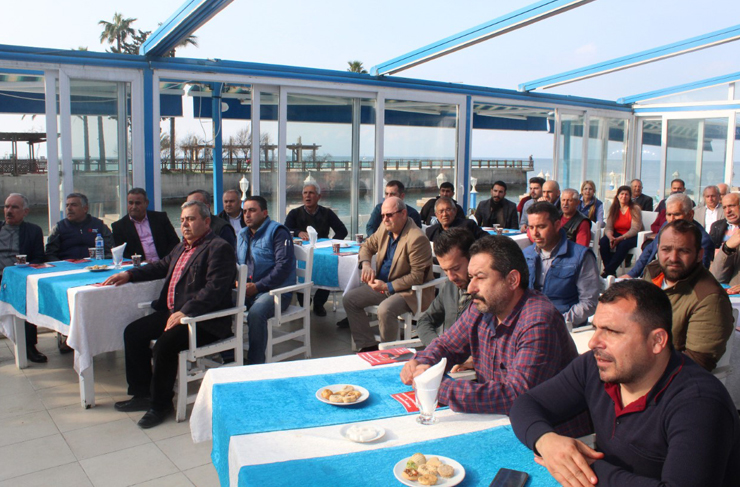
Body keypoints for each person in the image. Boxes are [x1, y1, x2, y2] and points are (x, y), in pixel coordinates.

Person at [509, 280, 740, 487]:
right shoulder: (596, 366)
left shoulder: (699, 404)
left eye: (611, 331)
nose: (593, 342)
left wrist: (581, 466)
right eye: (596, 328)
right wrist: (546, 441)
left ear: (657, 341)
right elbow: (526, 404)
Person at [400, 235, 585, 419]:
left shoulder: (538, 321)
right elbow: (447, 346)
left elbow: (516, 396)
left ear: (512, 280)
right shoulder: (482, 308)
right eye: (471, 277)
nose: (470, 288)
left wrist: (440, 388)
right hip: (501, 421)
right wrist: (422, 362)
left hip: (553, 430)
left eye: (480, 278)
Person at [107, 201, 237, 429]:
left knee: (164, 346)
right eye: (183, 219)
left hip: (203, 320)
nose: (185, 224)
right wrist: (130, 274)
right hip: (175, 313)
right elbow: (159, 266)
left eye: (191, 219)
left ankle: (160, 405)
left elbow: (214, 290)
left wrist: (185, 311)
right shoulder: (181, 247)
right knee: (133, 333)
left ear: (206, 222)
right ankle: (142, 393)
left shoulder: (219, 247)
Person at [343, 196, 434, 352]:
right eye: (383, 215)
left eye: (389, 215)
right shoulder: (385, 229)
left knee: (385, 309)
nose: (385, 219)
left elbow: (417, 277)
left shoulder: (416, 238)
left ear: (403, 213)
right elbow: (366, 246)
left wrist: (387, 286)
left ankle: (388, 352)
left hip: (409, 292)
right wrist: (366, 264)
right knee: (349, 299)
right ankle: (368, 346)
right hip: (383, 286)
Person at [643, 220, 733, 371]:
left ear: (699, 255)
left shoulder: (710, 298)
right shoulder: (652, 273)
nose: (673, 258)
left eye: (684, 251)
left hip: (663, 376)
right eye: (666, 249)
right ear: (658, 249)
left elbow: (697, 362)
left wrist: (637, 366)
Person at [238, 196, 296, 364]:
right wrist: (237, 281)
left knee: (256, 313)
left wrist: (257, 286)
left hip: (276, 292)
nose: (247, 215)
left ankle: (255, 364)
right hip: (247, 289)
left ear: (264, 213)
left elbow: (283, 267)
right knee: (219, 302)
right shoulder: (242, 234)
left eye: (252, 210)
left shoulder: (278, 232)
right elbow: (237, 263)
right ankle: (228, 356)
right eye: (245, 211)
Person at [524, 202, 600, 328]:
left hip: (565, 328)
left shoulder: (581, 256)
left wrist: (557, 321)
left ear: (557, 225)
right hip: (529, 323)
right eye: (531, 227)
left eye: (541, 227)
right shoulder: (526, 254)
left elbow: (589, 303)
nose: (535, 233)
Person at [284, 183, 347, 316]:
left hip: (322, 252)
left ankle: (319, 303)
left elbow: (342, 230)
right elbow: (286, 230)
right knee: (300, 272)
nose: (308, 196)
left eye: (311, 193)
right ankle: (304, 304)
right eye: (305, 193)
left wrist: (331, 243)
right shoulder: (295, 213)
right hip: (302, 253)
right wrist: (298, 232)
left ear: (318, 196)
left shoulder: (327, 213)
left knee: (328, 269)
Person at [0, 193, 46, 363]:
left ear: (25, 212)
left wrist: (24, 269)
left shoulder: (34, 231)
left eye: (14, 207)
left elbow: (39, 258)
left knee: (28, 297)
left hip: (20, 277)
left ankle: (29, 346)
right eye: (7, 206)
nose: (9, 211)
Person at [626, 193, 714, 278]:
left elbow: (699, 275)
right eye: (668, 214)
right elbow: (650, 249)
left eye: (677, 214)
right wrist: (631, 274)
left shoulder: (703, 241)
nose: (672, 219)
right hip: (652, 276)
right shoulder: (666, 226)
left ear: (690, 215)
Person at [416, 228, 474, 347]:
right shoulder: (450, 287)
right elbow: (425, 321)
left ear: (472, 258)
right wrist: (438, 346)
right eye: (445, 270)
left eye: (456, 268)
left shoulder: (487, 295)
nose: (451, 277)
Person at [111, 188, 180, 262]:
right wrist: (141, 262)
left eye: (137, 203)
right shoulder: (119, 227)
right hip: (139, 266)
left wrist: (165, 261)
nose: (134, 207)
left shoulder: (160, 218)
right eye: (130, 203)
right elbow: (122, 254)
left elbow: (175, 242)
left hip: (165, 263)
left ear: (146, 203)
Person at [46, 192, 113, 261]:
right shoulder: (59, 227)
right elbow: (50, 254)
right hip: (67, 265)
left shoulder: (99, 225)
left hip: (95, 264)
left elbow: (110, 251)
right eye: (67, 205)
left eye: (74, 205)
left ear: (85, 208)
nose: (69, 208)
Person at [599, 186, 642, 277]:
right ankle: (611, 272)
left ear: (630, 197)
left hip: (631, 235)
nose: (624, 196)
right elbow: (608, 227)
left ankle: (608, 271)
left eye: (626, 194)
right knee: (603, 242)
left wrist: (621, 238)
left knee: (623, 245)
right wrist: (611, 237)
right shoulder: (614, 208)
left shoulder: (635, 209)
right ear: (618, 196)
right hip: (616, 233)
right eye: (622, 194)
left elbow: (635, 229)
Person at [710, 193, 740, 291]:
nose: (728, 211)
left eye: (732, 206)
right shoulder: (717, 226)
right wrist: (727, 248)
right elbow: (717, 276)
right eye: (724, 207)